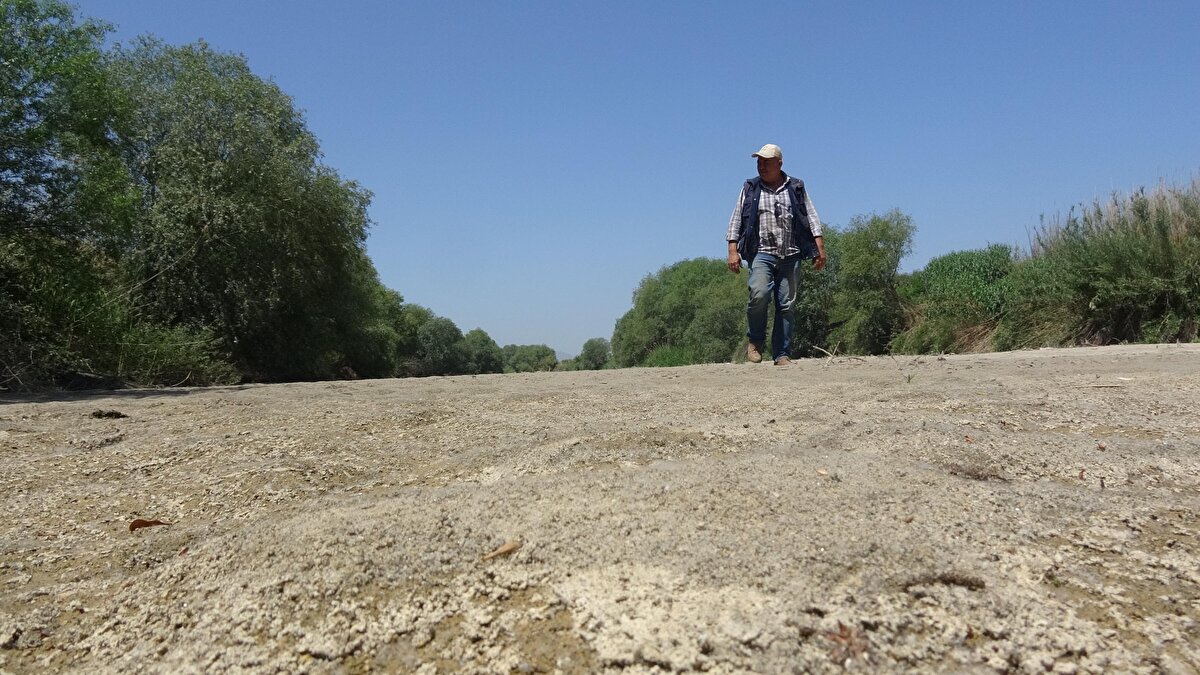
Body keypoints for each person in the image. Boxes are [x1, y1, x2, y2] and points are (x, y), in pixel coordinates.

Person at [725, 143, 827, 365]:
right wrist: (732, 250)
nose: (761, 166)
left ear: (779, 163)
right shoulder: (750, 188)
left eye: (766, 162)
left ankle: (782, 353)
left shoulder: (796, 187)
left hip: (791, 253)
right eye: (759, 162)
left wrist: (819, 247)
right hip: (761, 252)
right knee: (759, 293)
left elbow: (811, 217)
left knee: (787, 305)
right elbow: (735, 219)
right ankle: (755, 342)